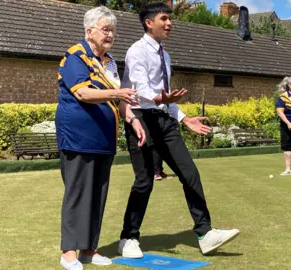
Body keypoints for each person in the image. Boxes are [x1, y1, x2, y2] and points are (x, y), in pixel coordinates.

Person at [118, 2, 239, 258]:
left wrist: (184, 119)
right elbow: (140, 91)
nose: (170, 23)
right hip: (140, 119)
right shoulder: (136, 51)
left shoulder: (165, 55)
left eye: (170, 19)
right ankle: (128, 238)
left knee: (190, 173)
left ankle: (205, 234)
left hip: (164, 120)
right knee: (144, 181)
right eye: (164, 18)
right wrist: (162, 100)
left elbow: (166, 98)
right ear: (149, 22)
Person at [55, 6, 145, 270]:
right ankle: (68, 253)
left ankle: (89, 249)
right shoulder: (76, 56)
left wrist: (133, 119)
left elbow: (119, 97)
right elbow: (82, 92)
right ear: (89, 30)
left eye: (113, 31)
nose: (110, 35)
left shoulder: (109, 62)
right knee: (78, 194)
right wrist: (118, 95)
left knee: (98, 195)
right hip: (78, 137)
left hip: (104, 139)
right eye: (106, 29)